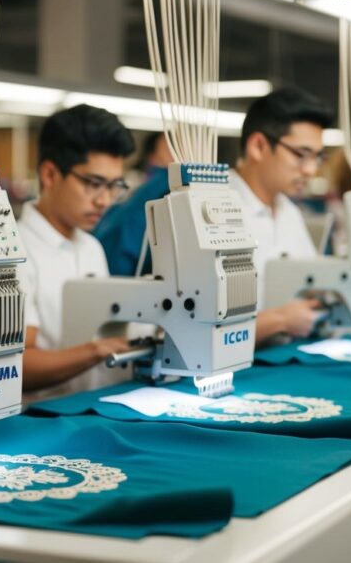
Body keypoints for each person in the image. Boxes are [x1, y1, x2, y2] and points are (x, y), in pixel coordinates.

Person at [94, 87, 334, 346]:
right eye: (301, 155)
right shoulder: (207, 208)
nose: (310, 170)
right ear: (258, 146)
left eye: (317, 157)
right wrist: (279, 320)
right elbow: (182, 326)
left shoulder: (289, 214)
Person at [19, 104, 136, 401]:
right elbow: (14, 366)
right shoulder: (16, 250)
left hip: (93, 408)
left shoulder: (91, 248)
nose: (105, 200)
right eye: (94, 184)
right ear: (49, 174)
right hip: (39, 423)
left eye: (114, 186)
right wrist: (94, 351)